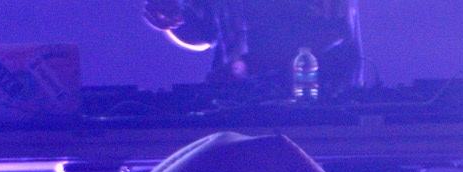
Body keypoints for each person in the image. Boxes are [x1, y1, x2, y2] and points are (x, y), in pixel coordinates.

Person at [143, 0, 361, 96]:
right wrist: (173, 16)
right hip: (238, 104)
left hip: (318, 104)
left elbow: (333, 31)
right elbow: (205, 33)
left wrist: (248, 66)